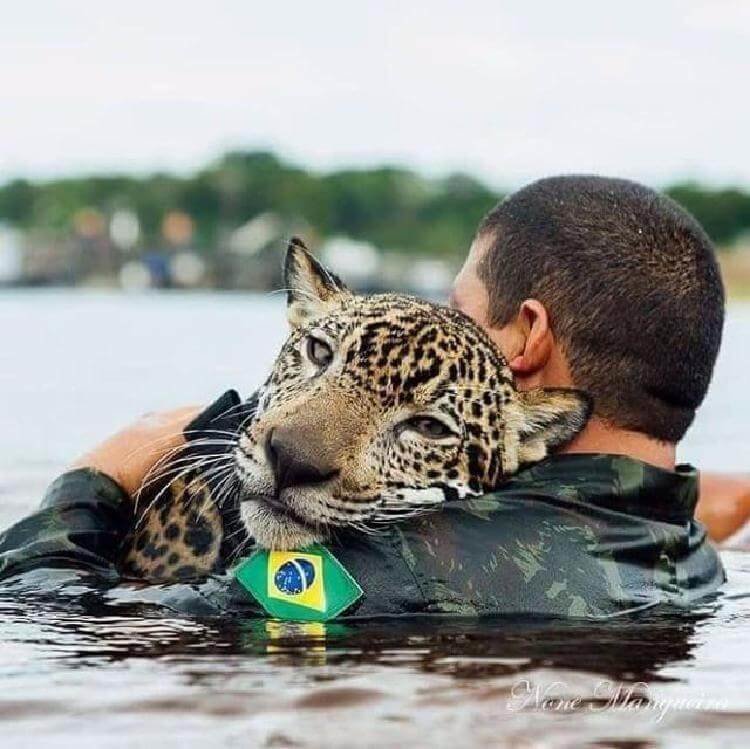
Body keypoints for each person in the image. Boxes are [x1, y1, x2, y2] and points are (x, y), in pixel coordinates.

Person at [0, 176, 743, 619]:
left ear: (525, 338)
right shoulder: (687, 555)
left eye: (457, 307)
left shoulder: (398, 569)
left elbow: (49, 614)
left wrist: (105, 471)